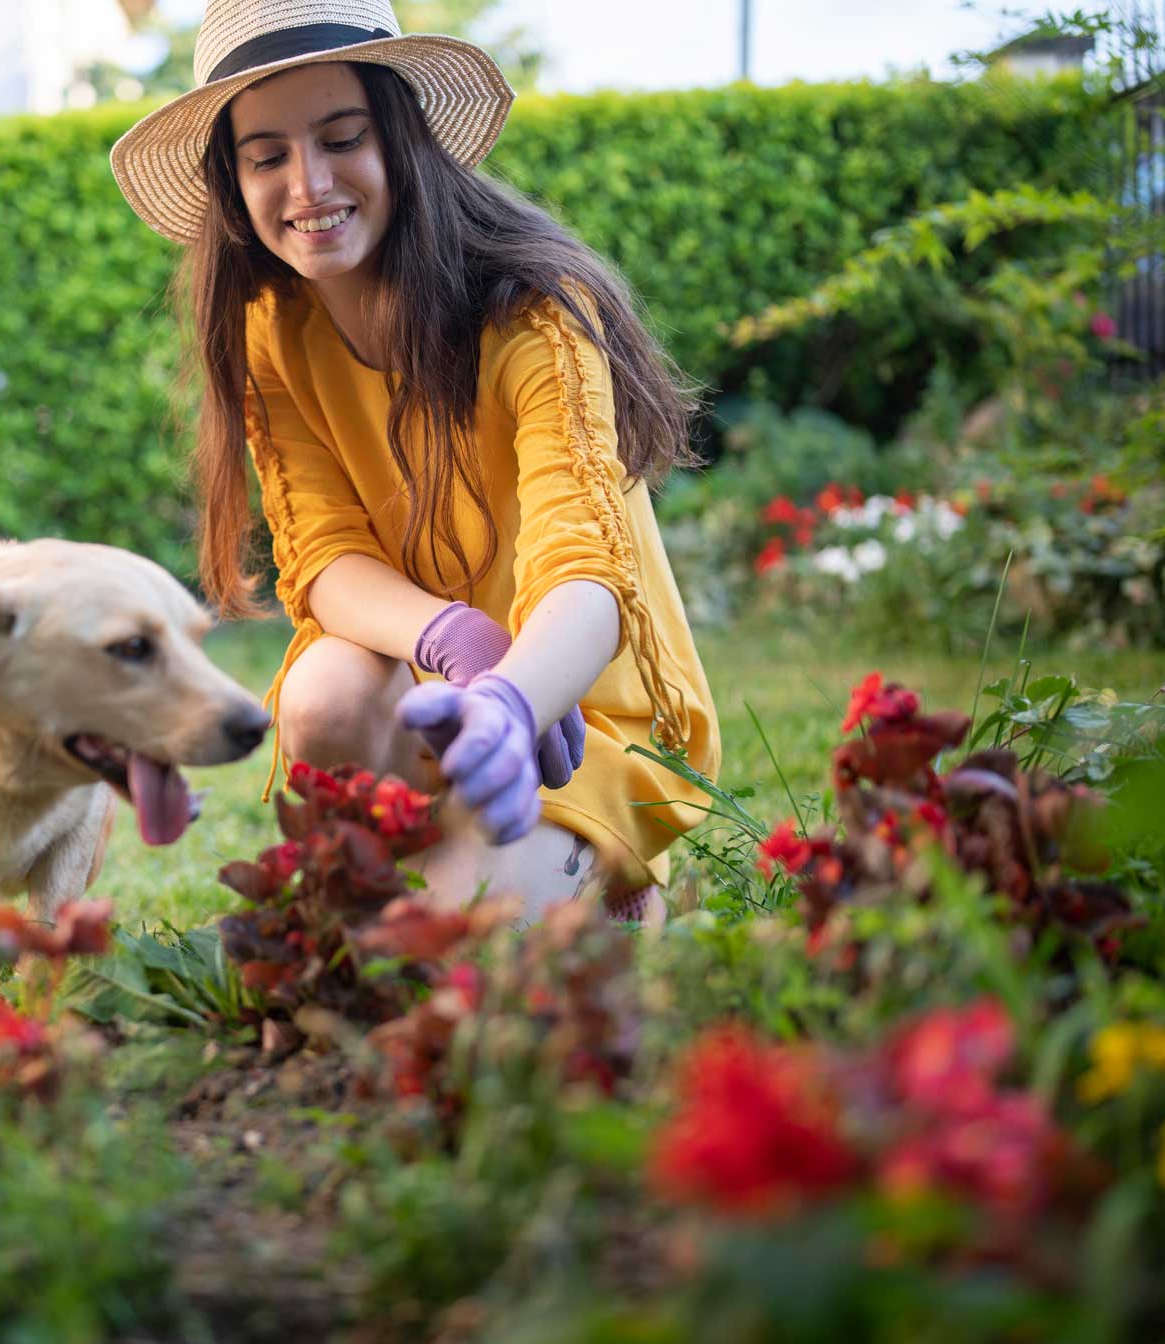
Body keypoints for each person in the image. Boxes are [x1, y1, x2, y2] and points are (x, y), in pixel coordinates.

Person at [110, 0, 720, 924]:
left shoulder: (535, 315)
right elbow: (322, 557)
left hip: (570, 713)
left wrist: (511, 700)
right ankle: (441, 875)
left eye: (341, 138)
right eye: (265, 155)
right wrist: (457, 642)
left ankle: (605, 878)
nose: (306, 185)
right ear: (234, 184)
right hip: (424, 677)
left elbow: (585, 573)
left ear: (401, 137)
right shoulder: (272, 328)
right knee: (321, 696)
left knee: (442, 940)